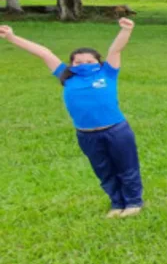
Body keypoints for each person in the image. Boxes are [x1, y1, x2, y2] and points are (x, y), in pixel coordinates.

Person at [1, 20, 144, 219]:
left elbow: (116, 49)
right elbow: (44, 53)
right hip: (87, 135)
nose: (84, 65)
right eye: (78, 62)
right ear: (71, 64)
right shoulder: (67, 77)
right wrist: (12, 37)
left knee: (126, 167)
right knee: (104, 171)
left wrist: (126, 29)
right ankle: (117, 203)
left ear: (98, 62)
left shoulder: (108, 73)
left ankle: (133, 202)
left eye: (89, 61)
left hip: (116, 131)